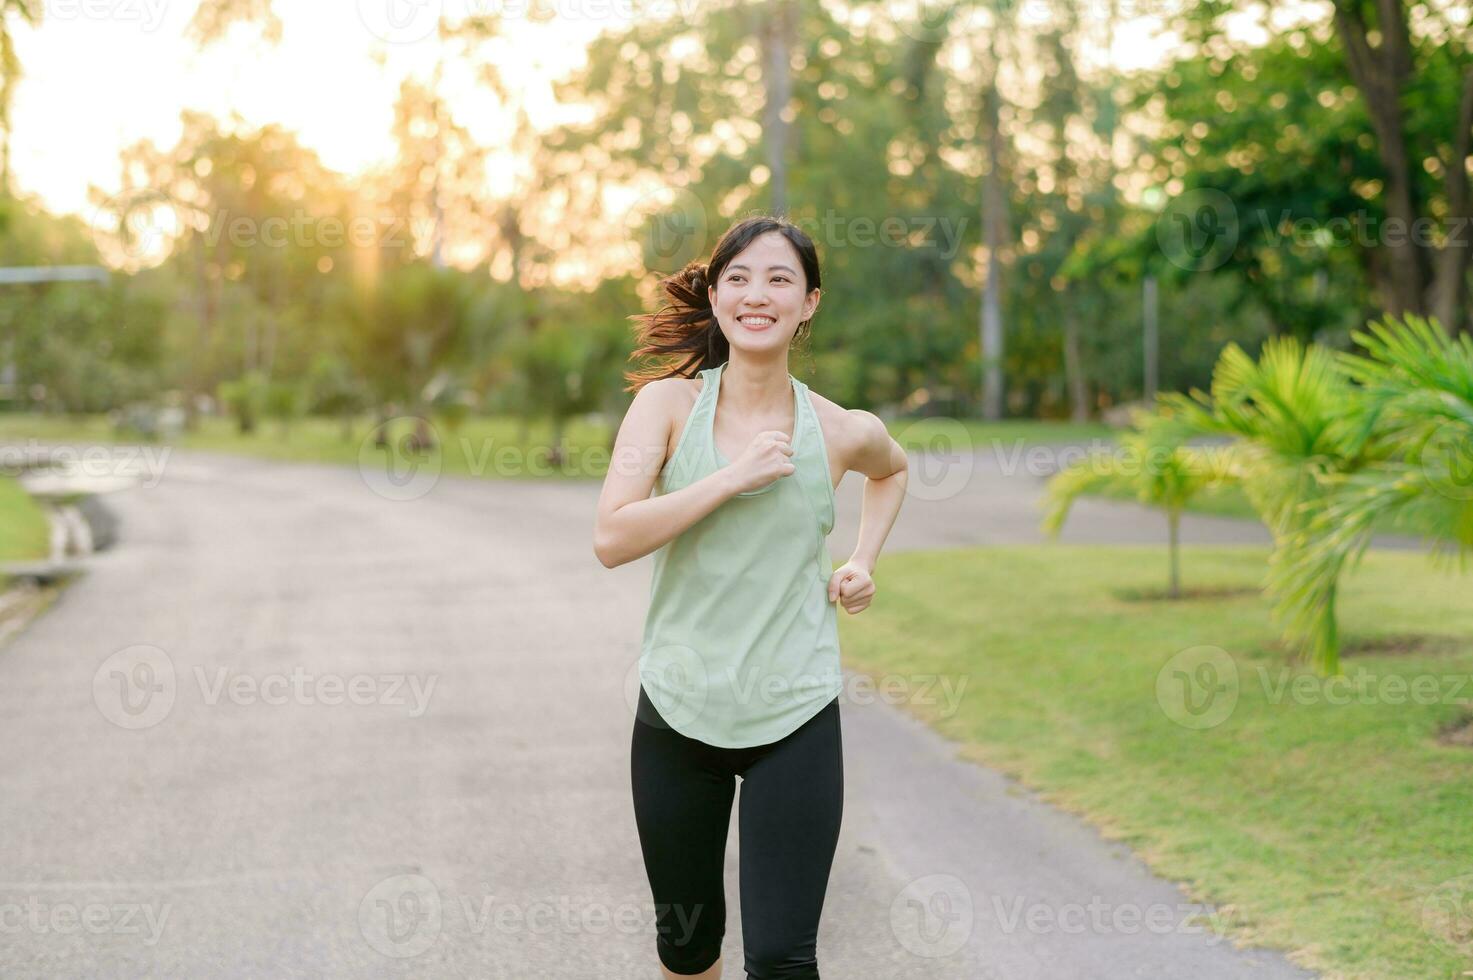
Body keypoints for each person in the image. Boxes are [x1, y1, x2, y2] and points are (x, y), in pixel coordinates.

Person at [593, 214, 909, 979]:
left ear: (809, 304)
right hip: (678, 710)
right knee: (688, 947)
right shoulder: (666, 409)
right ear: (715, 296)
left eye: (778, 279)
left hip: (792, 712)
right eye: (737, 278)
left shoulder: (837, 428)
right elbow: (612, 539)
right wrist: (728, 478)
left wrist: (861, 560)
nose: (755, 294)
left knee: (780, 959)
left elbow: (891, 469)